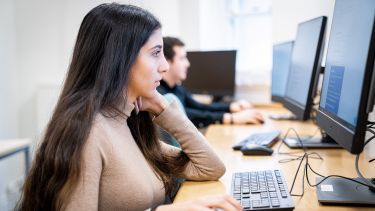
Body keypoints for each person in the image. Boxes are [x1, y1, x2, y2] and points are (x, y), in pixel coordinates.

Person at [17, 3, 242, 211]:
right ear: (119, 59)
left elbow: (210, 168)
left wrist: (164, 107)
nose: (164, 66)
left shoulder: (128, 121)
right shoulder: (87, 133)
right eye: (155, 53)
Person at [158, 37, 264, 128]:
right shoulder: (160, 93)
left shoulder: (177, 88)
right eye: (182, 58)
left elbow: (200, 107)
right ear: (167, 61)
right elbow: (187, 115)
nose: (188, 64)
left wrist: (230, 107)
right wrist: (231, 118)